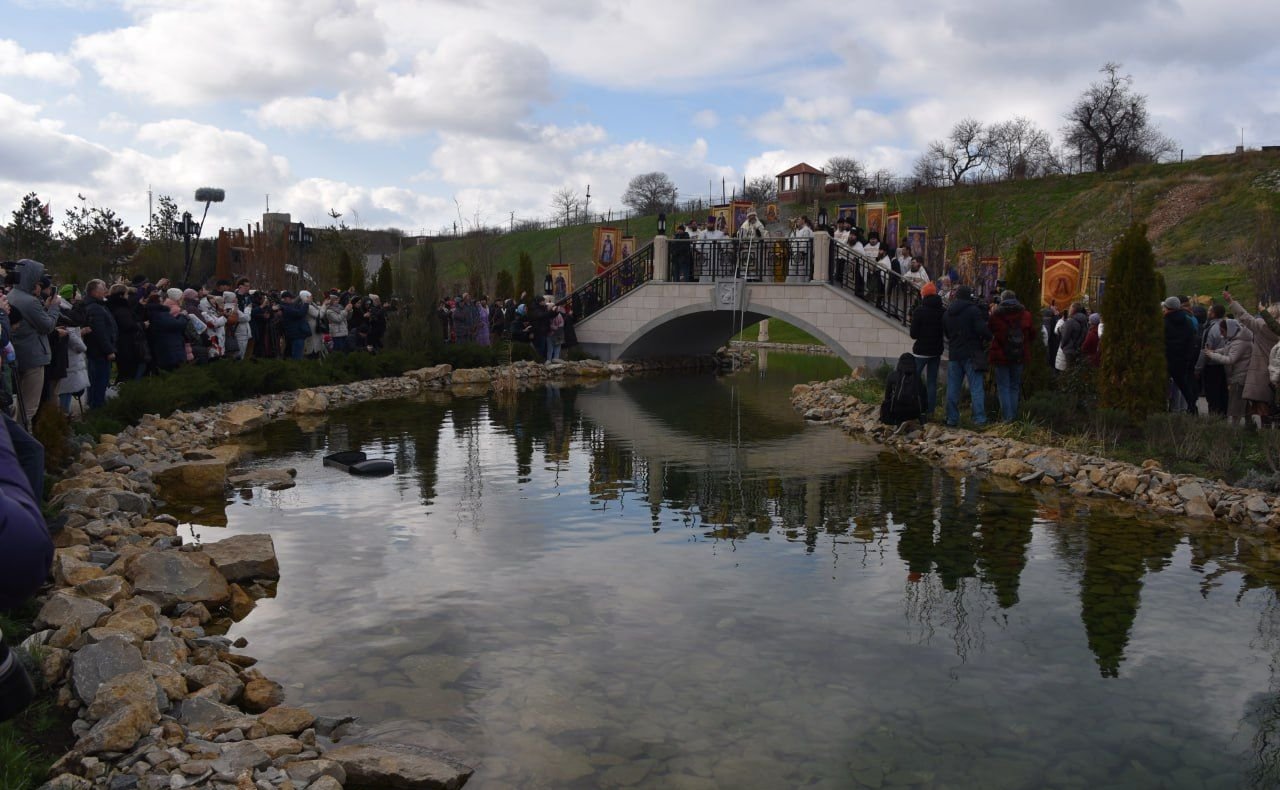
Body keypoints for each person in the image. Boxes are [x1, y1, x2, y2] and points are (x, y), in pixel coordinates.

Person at [8, 260, 58, 426]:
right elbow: (48, 326)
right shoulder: (29, 301)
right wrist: (54, 308)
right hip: (33, 358)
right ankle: (22, 445)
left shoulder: (11, 296)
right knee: (28, 406)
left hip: (18, 355)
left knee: (19, 404)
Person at [1223, 290, 1280, 428]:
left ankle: (1265, 434)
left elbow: (1244, 316)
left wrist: (1231, 302)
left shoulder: (1261, 326)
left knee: (1263, 408)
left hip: (1262, 373)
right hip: (1277, 372)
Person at [943, 285, 992, 427]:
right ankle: (979, 419)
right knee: (976, 387)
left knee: (952, 387)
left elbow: (946, 333)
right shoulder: (973, 311)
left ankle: (952, 418)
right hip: (971, 353)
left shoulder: (947, 313)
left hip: (954, 354)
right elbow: (982, 329)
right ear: (968, 296)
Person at [987, 289, 1034, 422]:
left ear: (1002, 299)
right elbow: (1032, 334)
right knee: (1014, 386)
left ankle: (1007, 418)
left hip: (1001, 355)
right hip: (1019, 354)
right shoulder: (1026, 315)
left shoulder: (996, 315)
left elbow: (989, 330)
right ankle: (1013, 416)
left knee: (1003, 387)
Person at [1201, 318, 1253, 425]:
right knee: (1244, 405)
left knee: (1236, 406)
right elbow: (1226, 349)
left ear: (1229, 330)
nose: (1221, 335)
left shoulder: (1240, 342)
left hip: (1239, 376)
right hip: (1239, 375)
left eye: (1223, 331)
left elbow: (1230, 359)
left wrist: (1212, 355)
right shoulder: (1236, 339)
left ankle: (1234, 429)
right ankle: (1250, 427)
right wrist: (1215, 351)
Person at [909, 281, 946, 418]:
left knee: (913, 378)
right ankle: (931, 411)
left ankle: (915, 405)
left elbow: (913, 334)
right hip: (936, 351)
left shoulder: (919, 311)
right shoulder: (942, 311)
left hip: (921, 352)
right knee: (932, 381)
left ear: (923, 295)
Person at [1163, 296, 1199, 415]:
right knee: (1183, 385)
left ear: (1167, 308)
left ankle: (1163, 408)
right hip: (1182, 359)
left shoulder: (1164, 321)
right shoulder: (1187, 320)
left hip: (1167, 358)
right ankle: (1192, 407)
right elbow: (1192, 339)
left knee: (1163, 385)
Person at [107, 283, 146, 380]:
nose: (128, 296)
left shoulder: (111, 306)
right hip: (126, 344)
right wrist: (142, 325)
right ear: (121, 295)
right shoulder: (121, 309)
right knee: (129, 372)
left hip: (121, 344)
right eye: (126, 294)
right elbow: (128, 325)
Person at [278, 291, 310, 360]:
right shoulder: (286, 308)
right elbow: (300, 313)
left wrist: (301, 297)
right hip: (296, 336)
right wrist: (306, 303)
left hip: (295, 335)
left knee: (295, 356)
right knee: (297, 358)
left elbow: (296, 306)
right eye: (291, 298)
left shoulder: (287, 306)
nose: (292, 300)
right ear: (286, 299)